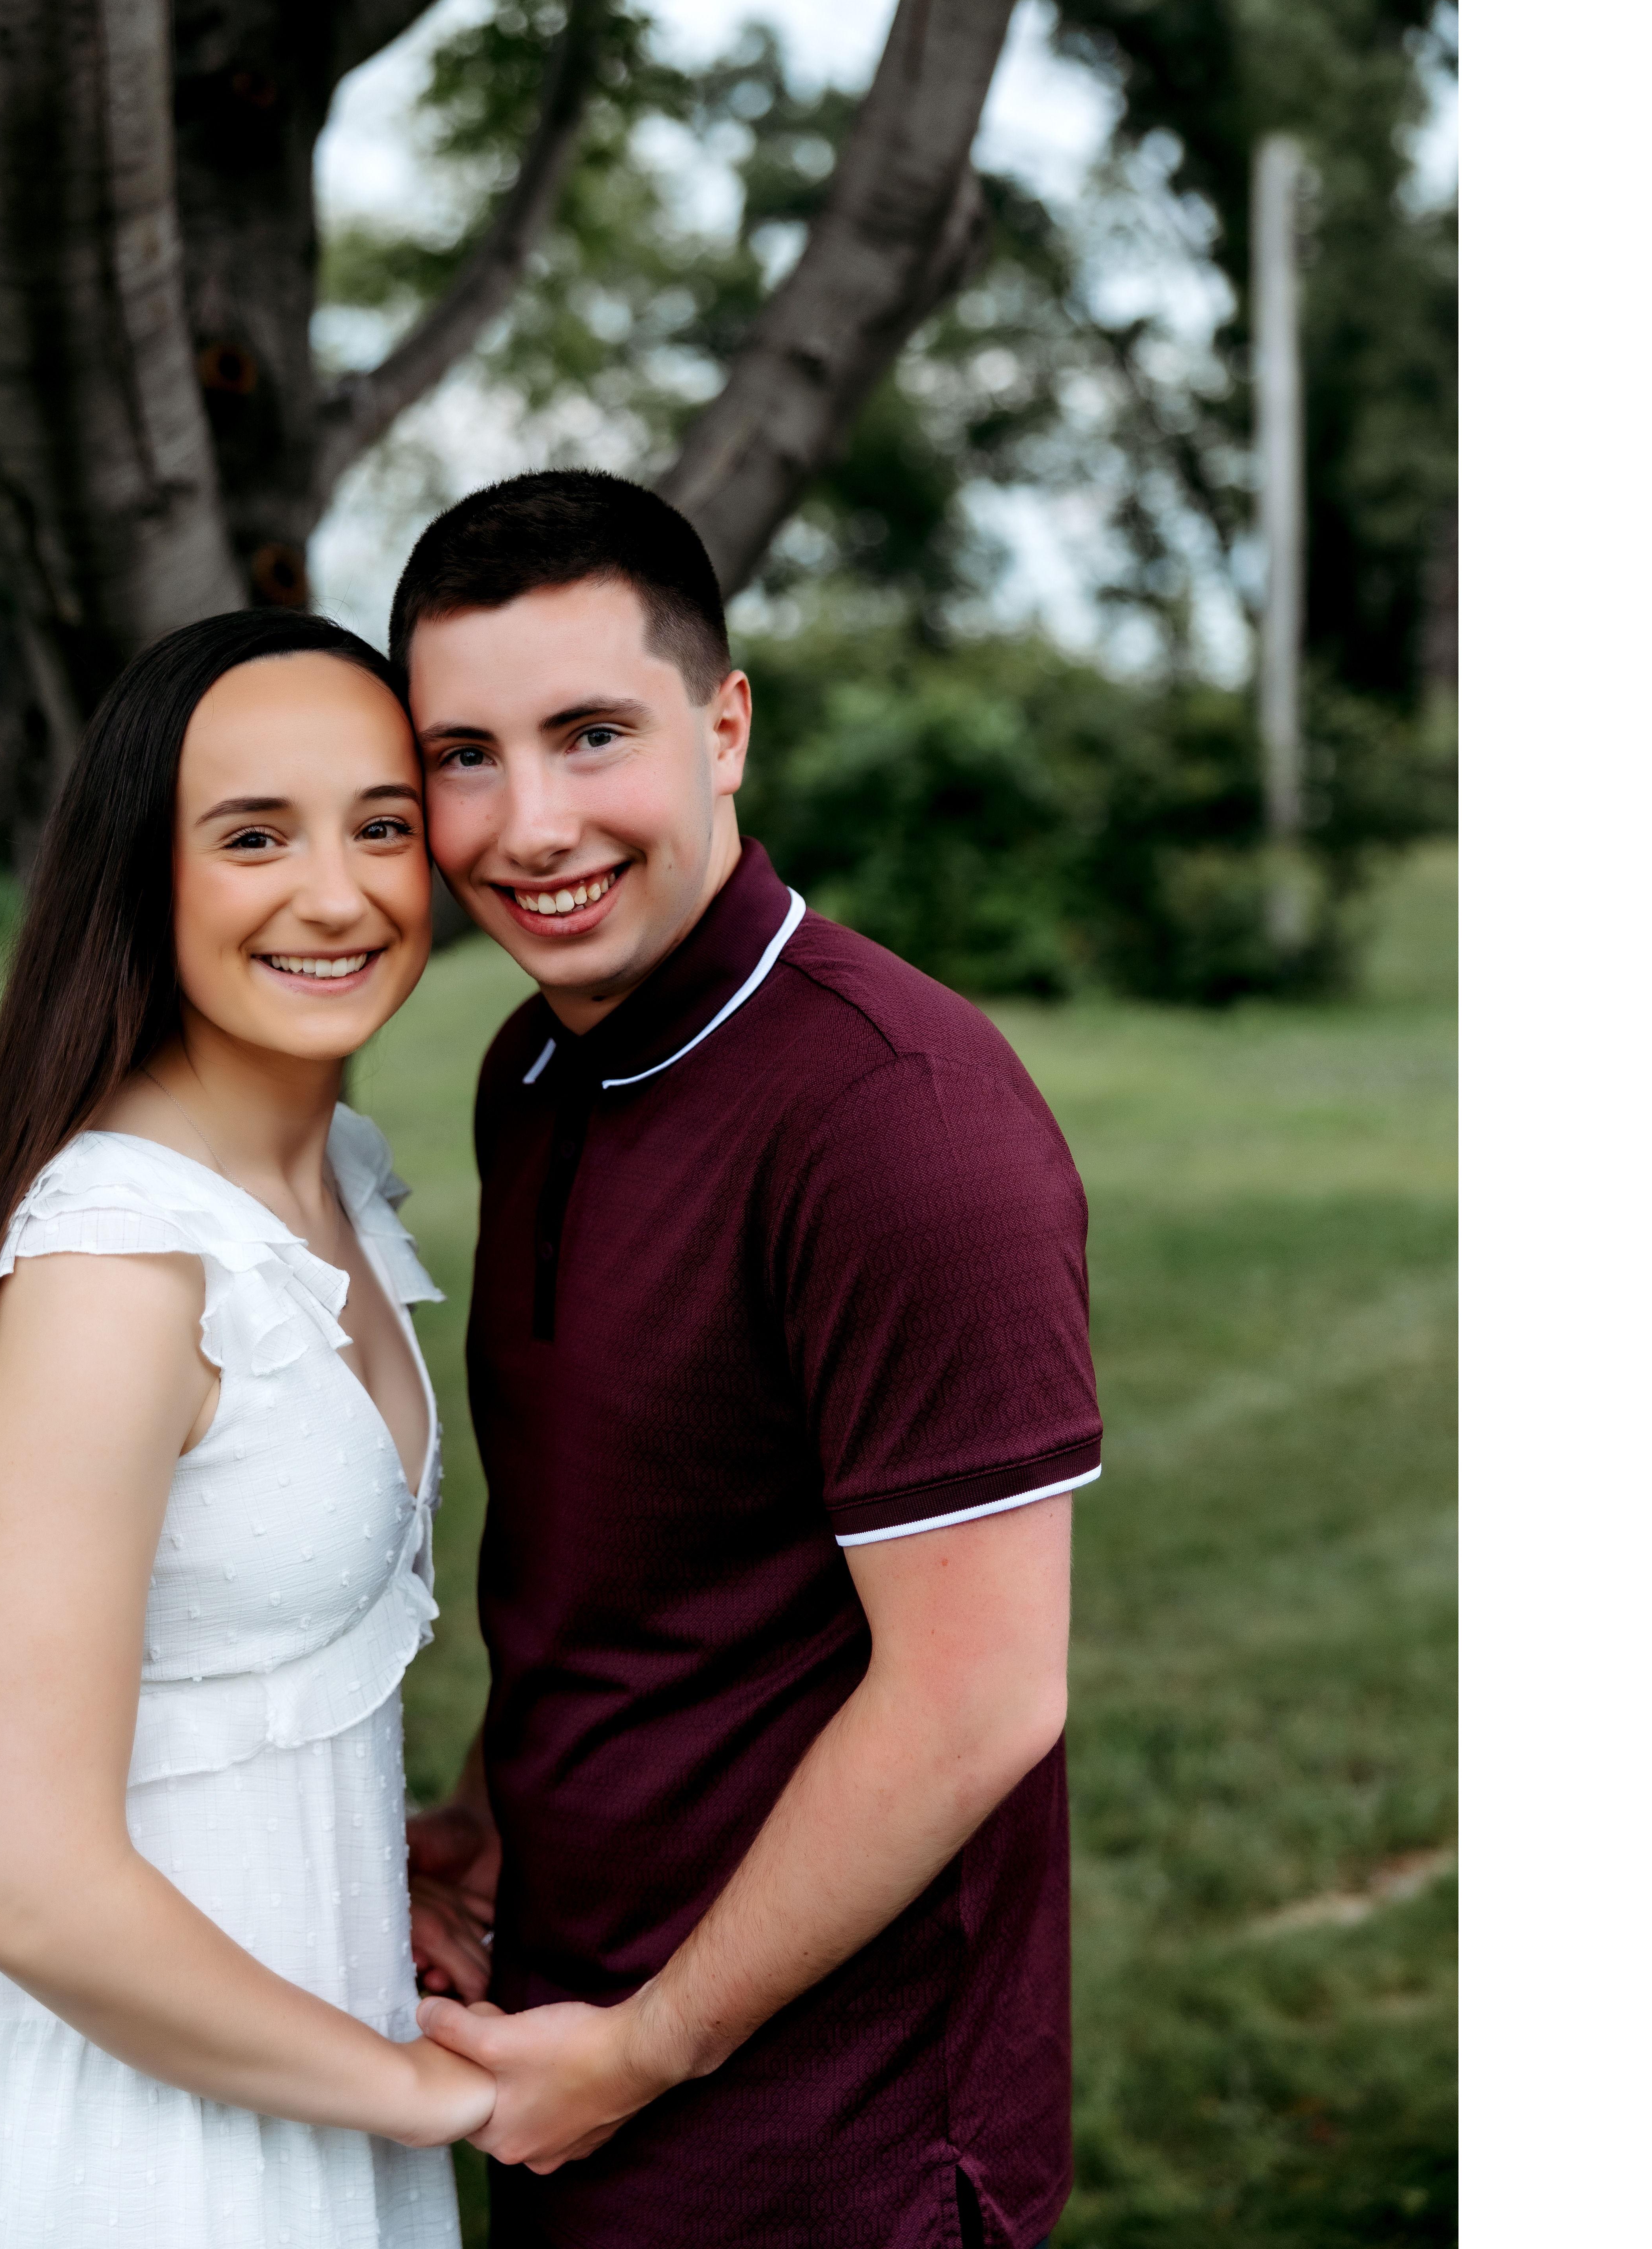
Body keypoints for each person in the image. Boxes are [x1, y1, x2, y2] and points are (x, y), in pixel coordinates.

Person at [395, 472, 1104, 2249]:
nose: (531, 826)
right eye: (466, 755)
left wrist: (640, 2052)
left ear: (724, 729)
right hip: (573, 2069)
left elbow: (978, 1700)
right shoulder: (532, 1071)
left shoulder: (900, 1124)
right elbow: (629, 1548)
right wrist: (495, 1815)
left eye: (592, 736)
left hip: (834, 2149)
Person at [0, 609, 495, 2247]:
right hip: (121, 2127)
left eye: (382, 826)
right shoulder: (122, 1265)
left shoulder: (331, 1181)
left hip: (281, 2020)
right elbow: (21, 1882)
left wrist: (373, 1871)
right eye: (254, 837)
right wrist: (435, 2096)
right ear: (140, 876)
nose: (337, 895)